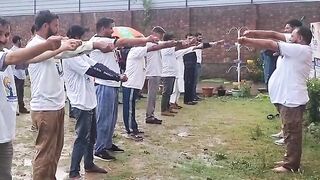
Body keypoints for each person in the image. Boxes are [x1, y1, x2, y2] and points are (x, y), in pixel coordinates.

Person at [27, 10, 112, 179]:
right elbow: (58, 52)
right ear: (45, 26)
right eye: (55, 26)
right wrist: (89, 45)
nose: (58, 30)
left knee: (55, 152)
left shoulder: (50, 44)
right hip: (44, 109)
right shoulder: (34, 45)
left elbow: (67, 51)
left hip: (56, 106)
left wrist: (88, 45)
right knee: (45, 154)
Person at [240, 26, 312, 173]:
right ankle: (289, 158)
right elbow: (273, 34)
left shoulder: (300, 50)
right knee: (288, 130)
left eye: (292, 35)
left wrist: (247, 41)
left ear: (300, 38)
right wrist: (254, 32)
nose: (288, 37)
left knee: (292, 133)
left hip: (292, 98)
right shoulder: (295, 46)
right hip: (286, 98)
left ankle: (291, 165)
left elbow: (270, 43)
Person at [0, 17, 65, 180]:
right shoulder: (10, 55)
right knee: (45, 154)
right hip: (44, 107)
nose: (3, 39)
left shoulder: (5, 53)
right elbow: (16, 58)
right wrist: (48, 45)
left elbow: (28, 59)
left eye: (6, 34)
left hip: (5, 132)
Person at [63, 25, 129, 179]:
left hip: (89, 100)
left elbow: (97, 65)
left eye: (82, 39)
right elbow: (92, 71)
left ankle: (89, 164)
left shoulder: (80, 54)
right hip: (80, 102)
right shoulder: (70, 55)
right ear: (73, 38)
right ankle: (74, 172)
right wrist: (116, 77)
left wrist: (116, 75)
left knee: (92, 136)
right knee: (81, 138)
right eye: (78, 38)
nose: (80, 42)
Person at [90, 17, 159, 161]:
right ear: (103, 28)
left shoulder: (108, 41)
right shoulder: (99, 41)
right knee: (104, 118)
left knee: (111, 118)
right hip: (104, 85)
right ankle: (99, 148)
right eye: (110, 28)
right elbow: (123, 42)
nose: (112, 31)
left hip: (112, 84)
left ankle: (107, 143)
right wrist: (145, 39)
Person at [10, 36, 30, 114]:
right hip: (16, 74)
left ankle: (20, 107)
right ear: (18, 41)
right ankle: (18, 108)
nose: (21, 42)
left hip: (20, 74)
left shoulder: (15, 50)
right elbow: (19, 64)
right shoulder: (14, 51)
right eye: (20, 40)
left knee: (19, 92)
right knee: (17, 92)